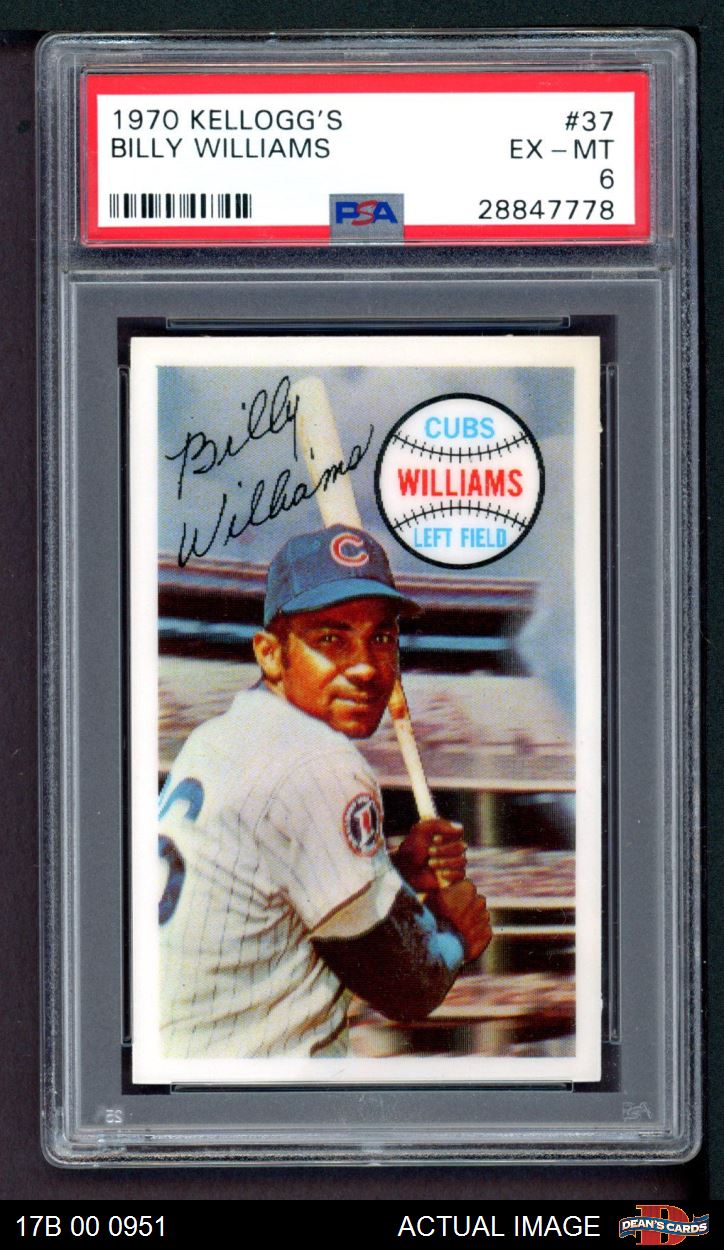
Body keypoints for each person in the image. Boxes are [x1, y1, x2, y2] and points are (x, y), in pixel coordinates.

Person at [158, 524, 491, 1058]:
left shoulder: (215, 736)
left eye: (381, 638)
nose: (366, 667)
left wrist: (398, 875)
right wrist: (453, 930)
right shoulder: (318, 761)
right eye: (331, 639)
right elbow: (407, 987)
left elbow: (282, 901)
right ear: (270, 654)